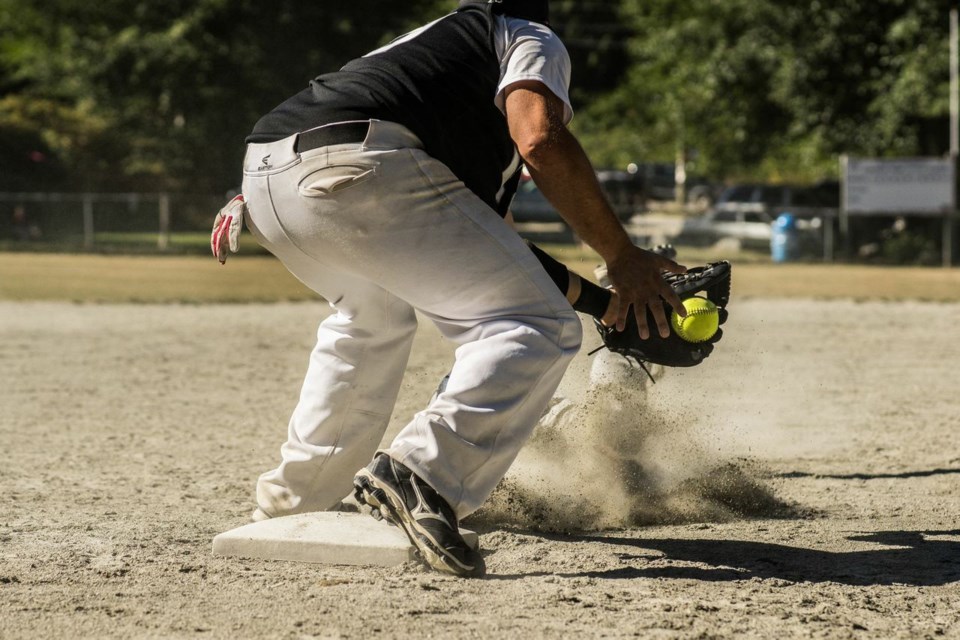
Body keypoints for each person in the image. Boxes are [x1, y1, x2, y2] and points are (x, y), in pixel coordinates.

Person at [212, 0, 686, 578]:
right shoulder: (523, 34)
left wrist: (609, 305)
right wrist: (622, 257)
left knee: (371, 320)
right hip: (359, 167)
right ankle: (421, 473)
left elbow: (508, 264)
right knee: (538, 328)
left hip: (267, 177)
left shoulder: (439, 61)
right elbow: (539, 138)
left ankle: (297, 498)